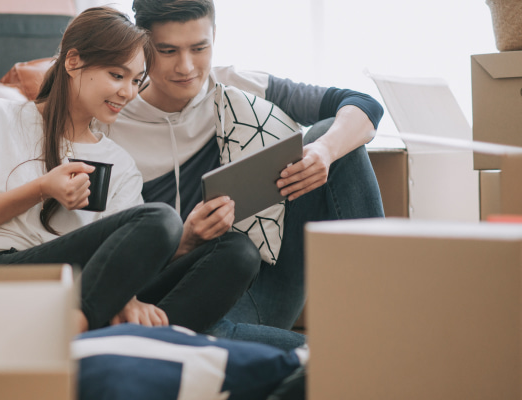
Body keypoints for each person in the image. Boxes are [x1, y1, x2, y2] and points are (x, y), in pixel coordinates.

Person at [0, 6, 260, 335]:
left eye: (136, 80)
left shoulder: (119, 163)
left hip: (81, 288)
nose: (127, 92)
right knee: (160, 219)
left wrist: (124, 294)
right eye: (117, 75)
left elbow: (127, 255)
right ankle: (80, 336)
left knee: (237, 252)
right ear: (73, 61)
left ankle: (137, 348)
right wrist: (41, 188)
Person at [101, 0, 386, 341]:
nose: (186, 66)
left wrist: (324, 152)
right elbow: (109, 258)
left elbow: (363, 105)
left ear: (215, 36)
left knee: (333, 136)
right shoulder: (113, 122)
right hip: (191, 299)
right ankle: (344, 356)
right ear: (143, 46)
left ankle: (384, 313)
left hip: (271, 282)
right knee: (237, 339)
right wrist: (186, 242)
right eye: (168, 51)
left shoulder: (233, 85)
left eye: (199, 48)